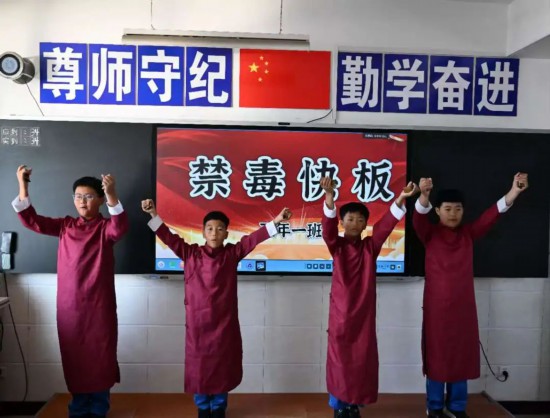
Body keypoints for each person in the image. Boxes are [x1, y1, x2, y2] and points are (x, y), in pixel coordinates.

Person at [141, 198, 291, 418]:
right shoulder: (190, 254)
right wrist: (153, 214)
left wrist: (276, 221)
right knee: (199, 368)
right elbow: (168, 237)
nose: (214, 232)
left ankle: (219, 406)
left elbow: (253, 239)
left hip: (224, 325)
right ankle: (203, 407)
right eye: (210, 228)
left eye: (220, 229)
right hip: (198, 327)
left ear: (226, 234)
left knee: (222, 367)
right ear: (203, 232)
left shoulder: (231, 254)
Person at [12, 165, 129, 418]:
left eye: (89, 196)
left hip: (99, 308)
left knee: (100, 357)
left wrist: (112, 194)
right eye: (78, 196)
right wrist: (23, 185)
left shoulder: (105, 229)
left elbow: (119, 227)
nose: (83, 202)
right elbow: (32, 221)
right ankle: (78, 409)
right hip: (70, 309)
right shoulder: (65, 226)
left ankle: (99, 409)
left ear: (100, 199)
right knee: (74, 358)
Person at [413, 173, 529, 418]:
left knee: (461, 359)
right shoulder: (429, 234)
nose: (453, 214)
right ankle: (435, 407)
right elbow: (418, 217)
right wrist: (423, 195)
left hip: (464, 311)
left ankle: (457, 407)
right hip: (436, 312)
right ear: (437, 211)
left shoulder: (468, 234)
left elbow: (491, 215)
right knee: (437, 359)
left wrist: (514, 192)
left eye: (458, 209)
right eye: (447, 209)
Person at [320, 176, 418, 418]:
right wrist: (330, 197)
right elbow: (328, 230)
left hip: (363, 318)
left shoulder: (370, 248)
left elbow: (385, 225)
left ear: (365, 225)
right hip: (340, 318)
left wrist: (401, 198)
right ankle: (338, 406)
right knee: (339, 362)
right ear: (342, 222)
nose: (355, 223)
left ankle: (354, 404)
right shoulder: (337, 247)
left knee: (360, 362)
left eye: (360, 220)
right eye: (350, 219)